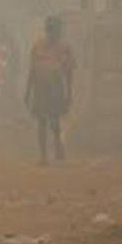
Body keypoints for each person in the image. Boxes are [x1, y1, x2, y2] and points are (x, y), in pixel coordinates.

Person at [25, 16, 75, 165]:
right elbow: (32, 71)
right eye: (51, 29)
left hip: (55, 89)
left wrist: (69, 94)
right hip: (40, 89)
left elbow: (69, 73)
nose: (53, 32)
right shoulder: (38, 46)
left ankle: (58, 146)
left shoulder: (64, 48)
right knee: (41, 122)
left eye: (55, 29)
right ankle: (43, 156)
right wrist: (28, 91)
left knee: (54, 121)